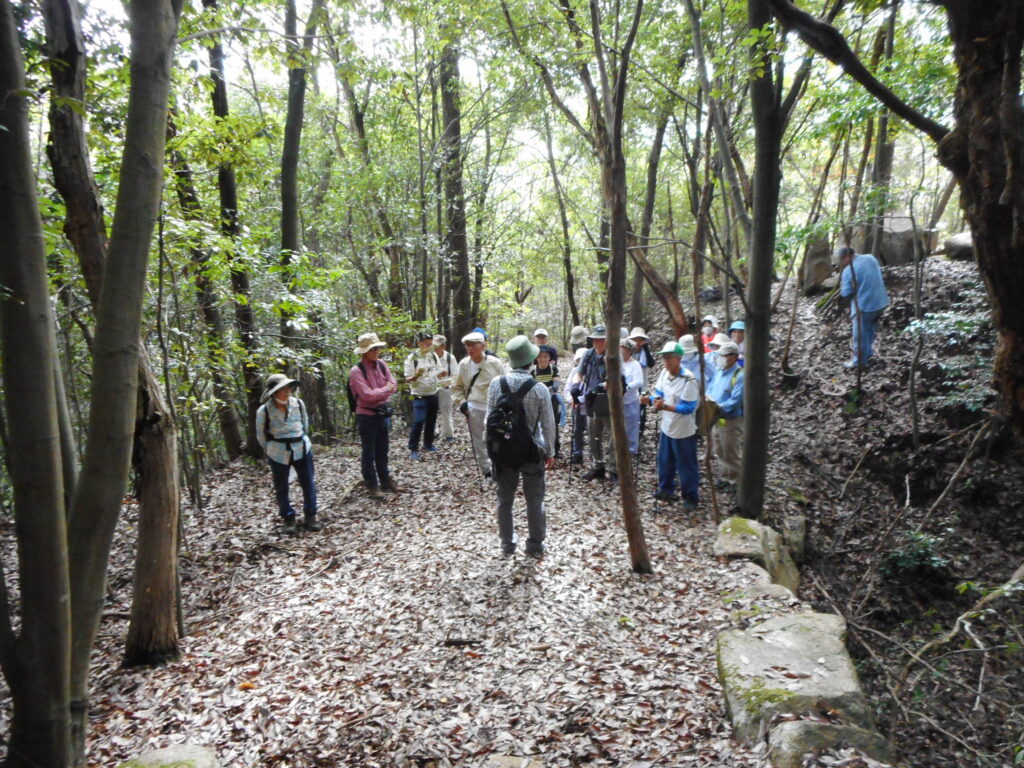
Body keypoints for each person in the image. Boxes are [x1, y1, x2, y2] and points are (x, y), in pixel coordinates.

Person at [486, 336, 556, 557]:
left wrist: (490, 455)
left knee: (504, 499)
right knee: (535, 499)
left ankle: (507, 544)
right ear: (531, 361)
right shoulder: (540, 389)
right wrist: (551, 451)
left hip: (503, 452)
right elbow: (548, 425)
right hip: (531, 452)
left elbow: (489, 421)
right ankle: (535, 545)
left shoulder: (496, 384)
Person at [256, 374, 321, 534]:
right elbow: (261, 435)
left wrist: (301, 440)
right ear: (273, 392)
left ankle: (310, 516)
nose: (287, 391)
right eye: (282, 389)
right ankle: (288, 518)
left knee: (308, 482)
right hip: (278, 452)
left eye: (288, 387)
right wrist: (271, 450)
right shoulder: (264, 410)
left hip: (301, 448)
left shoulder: (298, 403)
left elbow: (304, 424)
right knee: (281, 486)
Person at [643, 342, 700, 508]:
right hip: (666, 427)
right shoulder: (664, 373)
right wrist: (651, 399)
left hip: (683, 430)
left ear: (678, 359)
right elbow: (659, 393)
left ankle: (690, 496)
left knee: (686, 464)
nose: (666, 361)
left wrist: (665, 406)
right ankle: (666, 489)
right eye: (664, 358)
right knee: (665, 461)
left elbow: (689, 407)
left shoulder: (688, 379)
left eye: (669, 358)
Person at [350, 332, 399, 499]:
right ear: (364, 351)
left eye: (377, 348)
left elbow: (394, 384)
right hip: (366, 416)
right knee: (369, 453)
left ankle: (385, 480)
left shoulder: (382, 365)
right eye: (373, 349)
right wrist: (385, 390)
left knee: (383, 451)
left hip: (382, 414)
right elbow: (367, 395)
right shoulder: (356, 371)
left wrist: (382, 391)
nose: (377, 351)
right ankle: (372, 485)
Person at [453, 330, 507, 478]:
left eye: (473, 345)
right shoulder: (464, 364)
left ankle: (499, 466)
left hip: (494, 409)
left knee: (497, 438)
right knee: (479, 441)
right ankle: (487, 470)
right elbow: (456, 387)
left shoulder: (495, 363)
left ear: (483, 346)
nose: (469, 349)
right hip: (474, 409)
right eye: (467, 346)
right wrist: (462, 402)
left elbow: (505, 385)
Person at [835, 245, 889, 369]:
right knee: (870, 329)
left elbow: (845, 292)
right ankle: (867, 353)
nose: (841, 263)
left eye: (842, 260)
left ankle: (858, 362)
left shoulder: (849, 271)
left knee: (859, 334)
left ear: (847, 257)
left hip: (864, 306)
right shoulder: (870, 258)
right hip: (880, 302)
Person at [706, 340, 744, 491]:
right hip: (716, 418)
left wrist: (720, 408)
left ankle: (736, 480)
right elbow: (711, 388)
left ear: (733, 357)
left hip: (730, 419)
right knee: (719, 448)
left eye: (724, 355)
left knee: (731, 450)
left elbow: (736, 399)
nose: (720, 358)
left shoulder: (740, 375)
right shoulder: (719, 371)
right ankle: (724, 477)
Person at [404, 332, 441, 460]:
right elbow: (407, 378)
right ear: (419, 343)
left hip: (432, 393)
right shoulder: (412, 358)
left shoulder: (433, 355)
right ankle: (413, 448)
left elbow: (438, 371)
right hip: (418, 395)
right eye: (426, 342)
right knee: (419, 421)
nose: (428, 345)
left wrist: (443, 374)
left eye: (430, 342)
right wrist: (415, 376)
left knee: (431, 420)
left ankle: (428, 443)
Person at [531, 345, 564, 457]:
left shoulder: (553, 369)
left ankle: (555, 449)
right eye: (540, 357)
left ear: (549, 358)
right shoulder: (533, 371)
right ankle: (539, 447)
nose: (543, 359)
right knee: (536, 425)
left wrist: (542, 391)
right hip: (537, 402)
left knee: (553, 424)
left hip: (552, 401)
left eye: (546, 356)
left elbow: (556, 386)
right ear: (536, 358)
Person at [621, 338, 645, 456]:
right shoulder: (617, 363)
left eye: (623, 349)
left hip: (631, 401)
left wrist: (625, 387)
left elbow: (639, 382)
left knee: (631, 427)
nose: (621, 351)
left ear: (629, 351)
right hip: (618, 402)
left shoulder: (635, 365)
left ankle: (631, 451)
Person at [565, 346, 589, 465]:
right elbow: (567, 389)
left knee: (593, 431)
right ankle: (577, 453)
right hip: (577, 407)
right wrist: (572, 399)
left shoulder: (592, 372)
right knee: (577, 430)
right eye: (579, 361)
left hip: (590, 406)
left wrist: (580, 399)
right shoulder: (574, 372)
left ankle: (595, 456)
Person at [433, 334, 457, 442]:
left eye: (437, 346)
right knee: (431, 411)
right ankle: (433, 433)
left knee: (446, 411)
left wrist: (447, 382)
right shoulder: (430, 357)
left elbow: (455, 374)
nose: (434, 348)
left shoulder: (449, 358)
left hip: (445, 388)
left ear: (443, 346)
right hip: (431, 388)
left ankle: (448, 435)